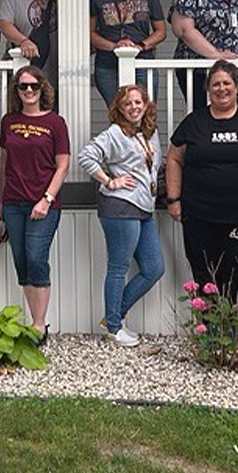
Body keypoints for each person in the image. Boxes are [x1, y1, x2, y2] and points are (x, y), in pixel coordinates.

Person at [166, 60, 238, 304]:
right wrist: (173, 199)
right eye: (215, 84)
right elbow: (174, 158)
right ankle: (208, 333)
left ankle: (235, 334)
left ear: (237, 87)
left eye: (226, 83)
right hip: (199, 214)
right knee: (203, 270)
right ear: (208, 89)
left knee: (237, 268)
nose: (221, 88)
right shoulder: (194, 122)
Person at [80, 84, 164, 347]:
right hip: (120, 207)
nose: (134, 107)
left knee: (153, 268)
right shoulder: (114, 133)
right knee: (119, 268)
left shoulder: (150, 133)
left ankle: (113, 317)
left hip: (143, 207)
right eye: (128, 104)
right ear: (119, 108)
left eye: (138, 102)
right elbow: (86, 156)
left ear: (146, 105)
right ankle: (114, 328)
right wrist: (109, 181)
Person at [0, 66, 70, 338]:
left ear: (42, 89)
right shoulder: (8, 121)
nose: (28, 91)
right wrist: (1, 201)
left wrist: (47, 199)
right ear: (16, 91)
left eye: (33, 86)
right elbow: (4, 164)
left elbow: (62, 165)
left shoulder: (55, 122)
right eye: (23, 86)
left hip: (43, 203)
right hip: (13, 202)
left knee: (37, 259)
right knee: (22, 262)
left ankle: (39, 325)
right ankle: (34, 322)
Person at [89, 0, 167, 107]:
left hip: (142, 61)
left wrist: (141, 45)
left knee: (145, 111)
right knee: (117, 113)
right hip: (108, 64)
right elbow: (90, 33)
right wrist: (114, 46)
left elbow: (161, 31)